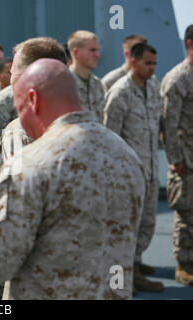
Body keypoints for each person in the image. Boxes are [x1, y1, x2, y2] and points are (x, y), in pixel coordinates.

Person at [0, 58, 146, 300]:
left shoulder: (30, 164)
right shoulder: (126, 154)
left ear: (33, 100)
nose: (23, 125)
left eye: (19, 110)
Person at [104, 43, 164, 293]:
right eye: (147, 63)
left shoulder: (153, 88)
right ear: (133, 62)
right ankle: (124, 276)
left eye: (154, 64)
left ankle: (135, 263)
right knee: (126, 226)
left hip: (149, 170)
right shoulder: (120, 93)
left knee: (146, 222)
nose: (151, 68)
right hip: (127, 174)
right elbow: (110, 136)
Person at [160, 24, 193, 286]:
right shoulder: (178, 79)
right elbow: (168, 125)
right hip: (187, 162)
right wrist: (175, 159)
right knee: (185, 214)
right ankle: (183, 265)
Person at [0, 37, 66, 133]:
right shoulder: (83, 124)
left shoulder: (14, 132)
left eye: (13, 72)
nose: (11, 79)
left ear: (28, 74)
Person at [68, 30, 106, 121]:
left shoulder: (98, 85)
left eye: (97, 50)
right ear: (75, 52)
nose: (97, 55)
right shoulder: (64, 84)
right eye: (92, 50)